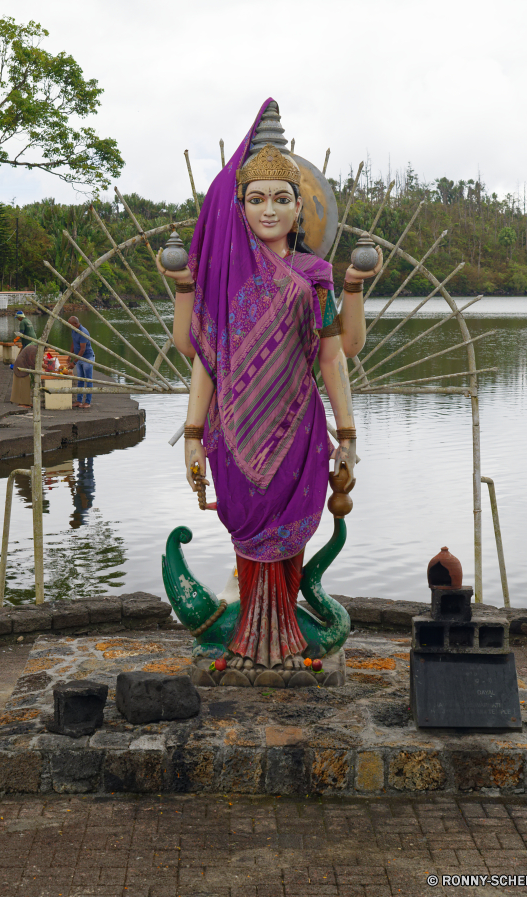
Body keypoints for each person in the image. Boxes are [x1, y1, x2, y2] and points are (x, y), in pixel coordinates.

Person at [158, 99, 382, 675]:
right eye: (256, 198)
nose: (269, 209)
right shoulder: (224, 277)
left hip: (298, 428)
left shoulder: (315, 275)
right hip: (233, 430)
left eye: (282, 198)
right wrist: (191, 433)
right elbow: (205, 359)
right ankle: (250, 631)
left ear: (300, 205)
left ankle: (281, 629)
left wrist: (348, 433)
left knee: (293, 528)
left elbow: (333, 357)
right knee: (246, 527)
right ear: (239, 205)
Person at [68, 315, 95, 409]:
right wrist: (70, 355)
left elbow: (82, 349)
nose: (69, 326)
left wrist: (74, 362)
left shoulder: (83, 332)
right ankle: (79, 401)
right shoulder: (74, 330)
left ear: (75, 323)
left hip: (87, 358)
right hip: (79, 358)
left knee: (88, 380)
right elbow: (73, 342)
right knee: (80, 379)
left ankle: (87, 402)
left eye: (70, 324)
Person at [11, 342, 37, 407]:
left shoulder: (33, 347)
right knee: (23, 383)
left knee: (26, 383)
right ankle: (21, 403)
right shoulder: (34, 349)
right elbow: (32, 361)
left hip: (22, 365)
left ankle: (27, 402)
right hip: (21, 366)